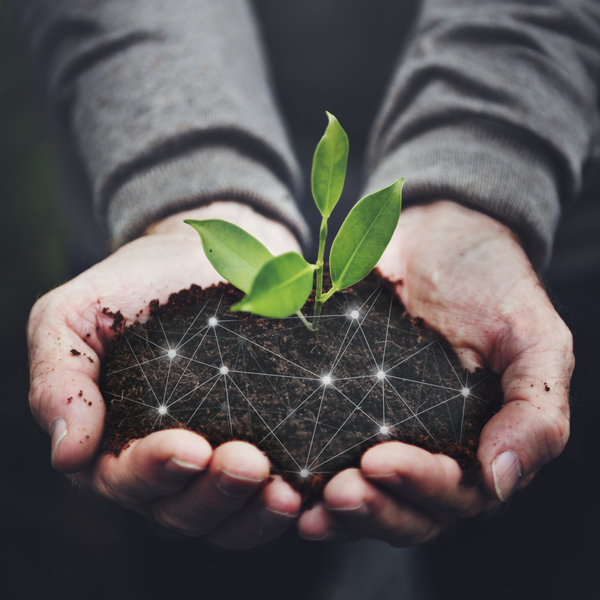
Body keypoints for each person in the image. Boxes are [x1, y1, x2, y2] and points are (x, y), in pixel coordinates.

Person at [17, 0, 597, 593]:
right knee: (206, 561)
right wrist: (183, 177)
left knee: (524, 559)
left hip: (550, 213)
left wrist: (484, 172)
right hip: (136, 161)